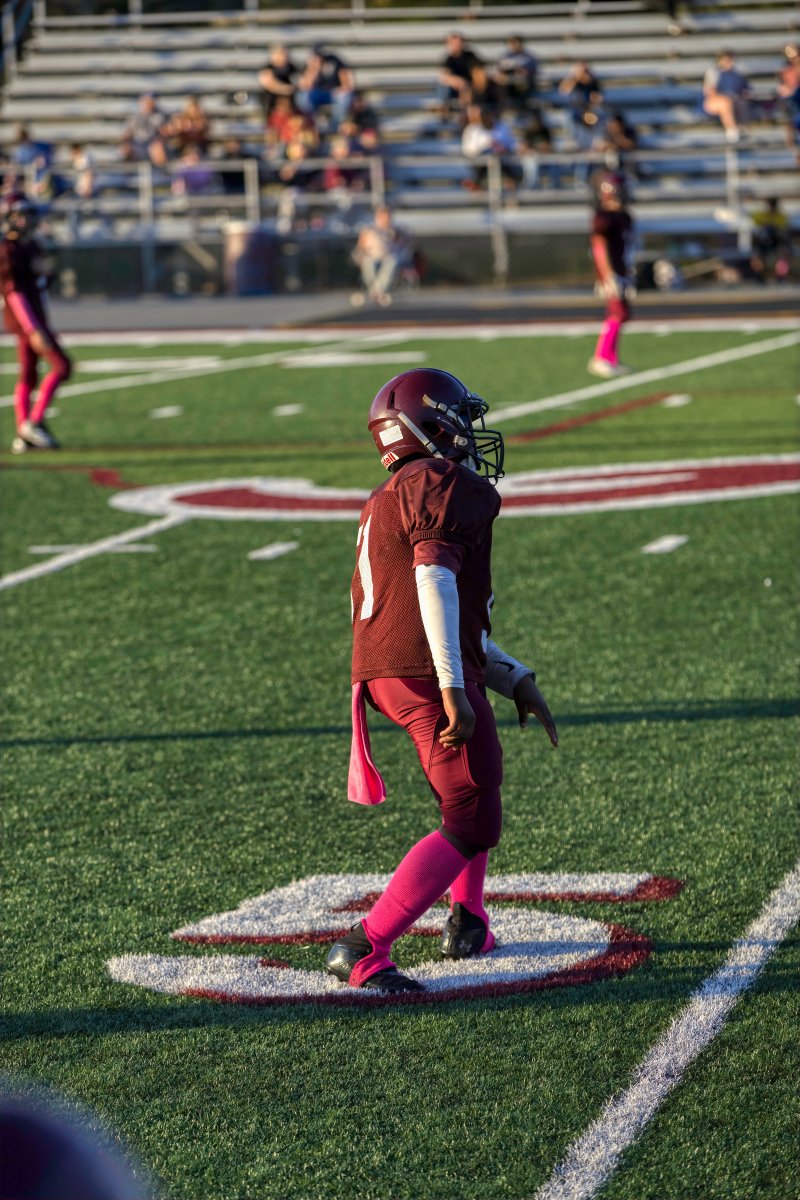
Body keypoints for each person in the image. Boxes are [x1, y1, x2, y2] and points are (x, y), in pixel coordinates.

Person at [325, 367, 558, 994]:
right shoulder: (438, 482)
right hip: (422, 669)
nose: (470, 436)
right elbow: (433, 580)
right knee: (473, 815)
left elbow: (435, 607)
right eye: (460, 422)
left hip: (393, 667)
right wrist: (454, 687)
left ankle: (468, 921)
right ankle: (364, 946)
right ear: (428, 426)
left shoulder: (395, 492)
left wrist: (510, 677)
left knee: (475, 786)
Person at [0, 191, 72, 453]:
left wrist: (45, 274)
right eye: (21, 215)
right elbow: (14, 293)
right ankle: (34, 422)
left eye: (29, 215)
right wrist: (33, 328)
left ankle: (24, 433)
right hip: (26, 320)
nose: (26, 220)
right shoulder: (8, 250)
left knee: (29, 373)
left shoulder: (30, 246)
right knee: (62, 366)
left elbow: (37, 283)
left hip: (34, 316)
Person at [587, 170, 635, 378]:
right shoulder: (603, 218)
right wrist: (608, 275)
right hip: (611, 272)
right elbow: (599, 247)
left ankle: (611, 358)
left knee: (621, 313)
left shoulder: (623, 216)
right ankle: (601, 357)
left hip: (621, 268)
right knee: (617, 313)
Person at [351, 204, 413, 307]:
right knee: (367, 262)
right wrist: (362, 254)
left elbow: (402, 245)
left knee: (391, 262)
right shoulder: (369, 229)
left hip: (388, 257)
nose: (386, 219)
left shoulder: (395, 231)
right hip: (371, 256)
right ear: (378, 217)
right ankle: (377, 293)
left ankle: (375, 292)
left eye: (388, 217)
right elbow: (361, 246)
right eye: (383, 217)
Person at [295, 43, 354, 127]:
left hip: (333, 92)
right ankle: (310, 122)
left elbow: (345, 78)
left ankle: (337, 124)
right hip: (317, 93)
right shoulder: (309, 64)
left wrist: (342, 89)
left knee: (344, 97)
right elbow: (306, 85)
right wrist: (314, 68)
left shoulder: (334, 60)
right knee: (302, 97)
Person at [702, 51, 751, 143]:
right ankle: (731, 130)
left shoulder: (737, 74)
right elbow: (710, 92)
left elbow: (745, 89)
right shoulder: (714, 73)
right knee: (725, 102)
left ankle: (743, 128)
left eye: (731, 60)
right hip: (714, 103)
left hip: (735, 101)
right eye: (726, 60)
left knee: (741, 101)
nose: (729, 63)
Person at [436, 32, 483, 117]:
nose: (457, 45)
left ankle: (467, 113)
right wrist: (458, 82)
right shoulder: (449, 59)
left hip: (469, 86)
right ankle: (444, 112)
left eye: (459, 42)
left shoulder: (470, 56)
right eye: (454, 43)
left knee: (469, 88)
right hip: (455, 88)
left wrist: (468, 84)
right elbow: (444, 77)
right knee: (443, 87)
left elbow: (478, 71)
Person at [491, 34, 538, 112]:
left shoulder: (529, 58)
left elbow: (527, 74)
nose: (514, 46)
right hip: (507, 85)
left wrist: (512, 76)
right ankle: (504, 109)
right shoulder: (504, 57)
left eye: (516, 43)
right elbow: (498, 72)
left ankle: (521, 109)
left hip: (523, 85)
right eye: (512, 43)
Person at [119, 93, 167, 167]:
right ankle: (128, 172)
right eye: (147, 101)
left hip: (151, 144)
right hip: (137, 144)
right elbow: (127, 133)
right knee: (126, 149)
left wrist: (159, 139)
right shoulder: (134, 116)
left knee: (157, 148)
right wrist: (126, 141)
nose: (149, 103)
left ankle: (161, 171)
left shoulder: (159, 116)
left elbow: (163, 133)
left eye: (151, 101)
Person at [257, 44, 298, 121]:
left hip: (290, 97)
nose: (283, 57)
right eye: (280, 54)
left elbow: (299, 82)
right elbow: (268, 84)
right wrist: (285, 90)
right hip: (272, 97)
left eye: (284, 54)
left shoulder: (292, 68)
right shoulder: (267, 68)